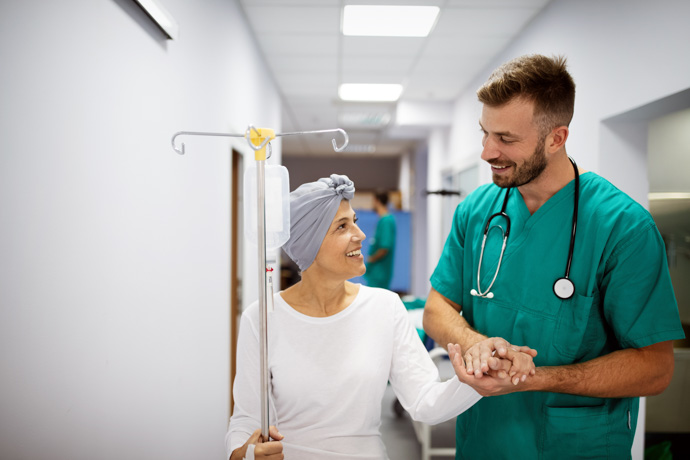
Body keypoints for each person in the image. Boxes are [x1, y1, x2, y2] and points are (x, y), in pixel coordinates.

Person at [423, 54, 685, 459]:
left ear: (556, 138)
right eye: (485, 133)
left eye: (506, 139)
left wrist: (534, 377)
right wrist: (474, 343)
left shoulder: (623, 227)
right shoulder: (477, 211)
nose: (487, 152)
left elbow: (655, 368)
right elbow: (437, 308)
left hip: (575, 446)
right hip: (483, 440)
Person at [225, 174, 532, 460]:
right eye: (342, 227)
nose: (360, 235)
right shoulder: (263, 318)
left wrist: (478, 376)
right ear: (310, 244)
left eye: (354, 221)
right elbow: (246, 419)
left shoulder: (385, 307)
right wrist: (247, 453)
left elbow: (424, 401)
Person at [364, 191, 396, 289]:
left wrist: (371, 259)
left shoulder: (386, 221)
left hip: (379, 272)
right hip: (376, 271)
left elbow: (384, 247)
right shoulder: (382, 220)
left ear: (377, 201)